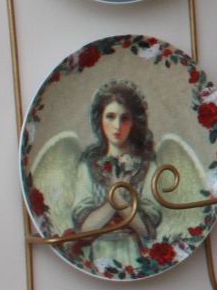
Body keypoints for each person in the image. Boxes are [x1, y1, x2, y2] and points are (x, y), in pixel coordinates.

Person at [66, 80, 165, 262]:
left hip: (134, 254)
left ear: (135, 121)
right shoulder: (89, 163)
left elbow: (146, 228)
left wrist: (119, 199)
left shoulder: (147, 165)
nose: (117, 126)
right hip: (97, 255)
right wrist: (113, 201)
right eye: (110, 116)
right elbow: (85, 229)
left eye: (124, 118)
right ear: (100, 118)